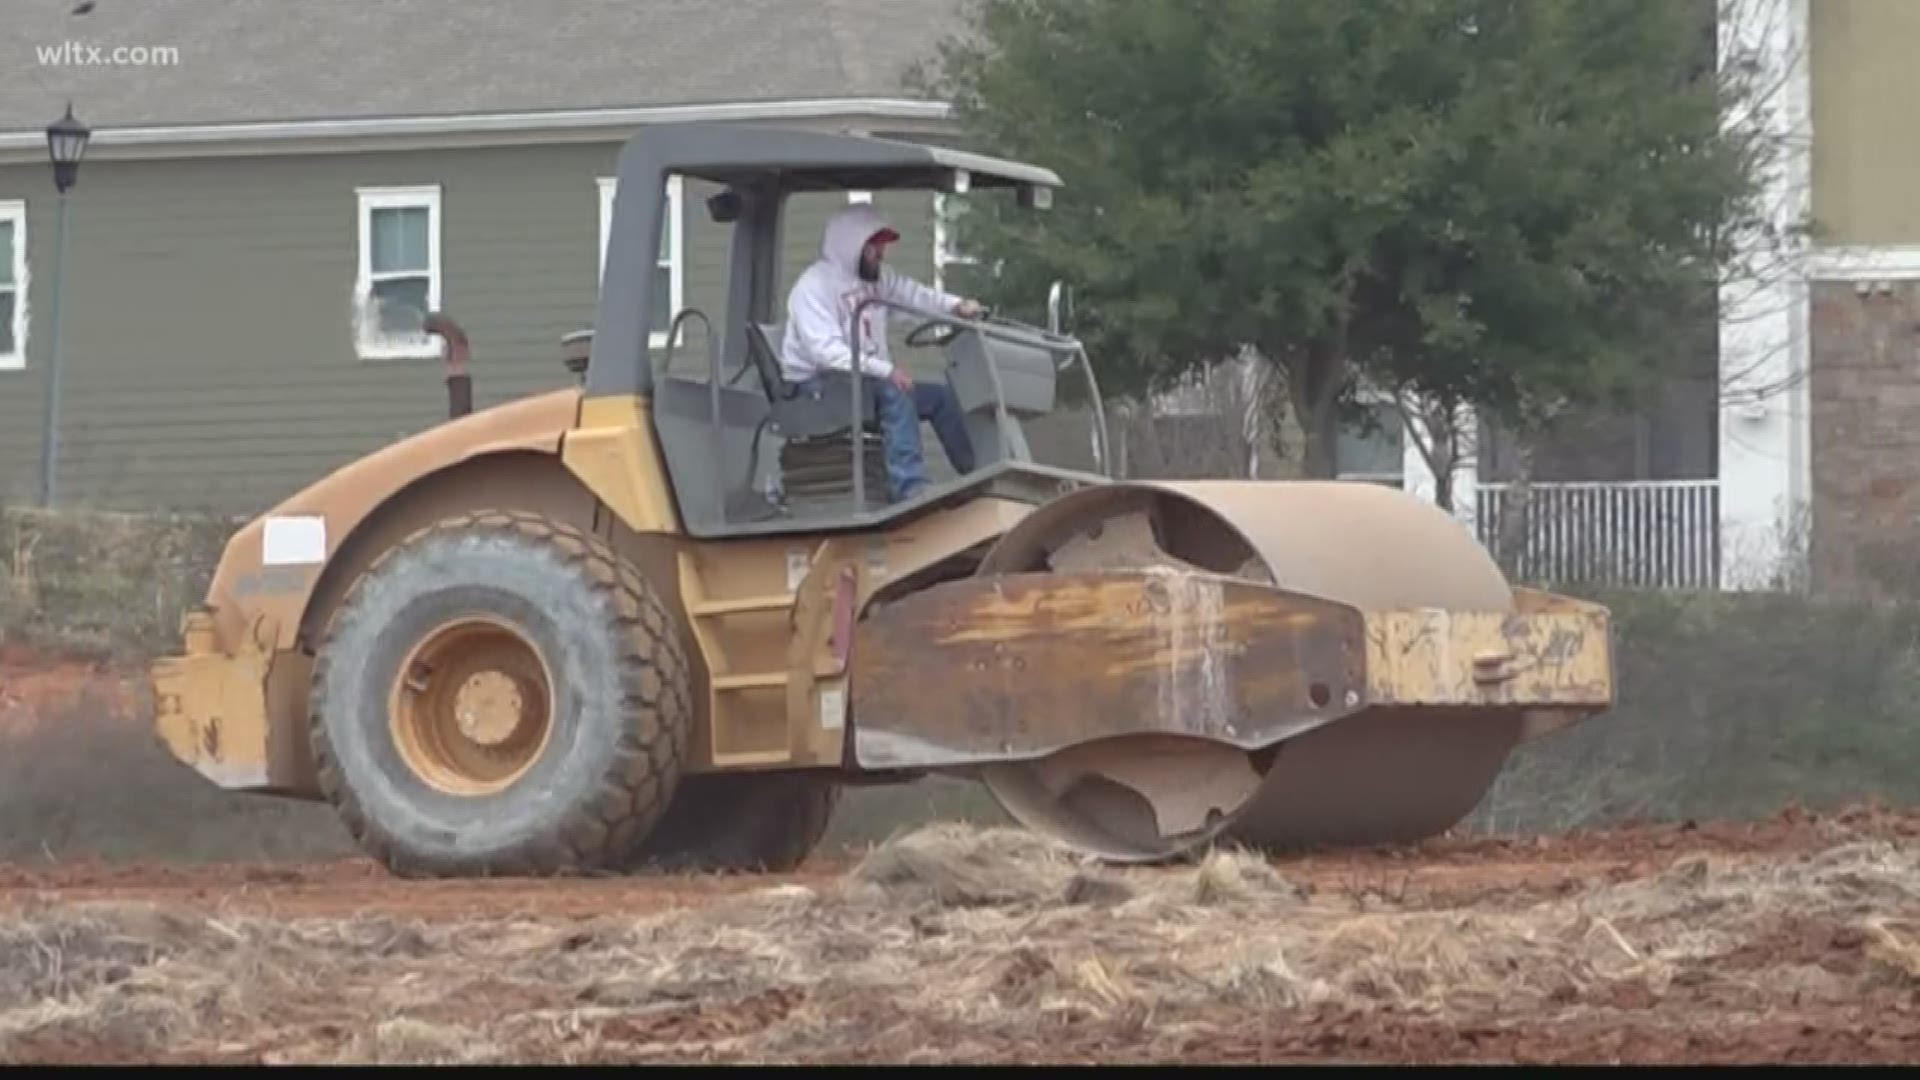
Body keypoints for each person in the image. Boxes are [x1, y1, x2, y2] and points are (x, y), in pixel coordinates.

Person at [780, 204, 981, 503]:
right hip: (818, 387)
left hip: (865, 381)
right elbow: (825, 352)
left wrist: (955, 306)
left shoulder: (877, 279)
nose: (881, 254)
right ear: (852, 246)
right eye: (874, 247)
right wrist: (886, 371)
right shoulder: (813, 287)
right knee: (895, 390)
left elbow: (914, 297)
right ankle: (911, 489)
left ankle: (978, 476)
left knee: (940, 398)